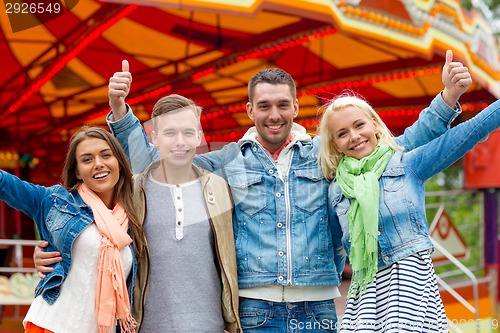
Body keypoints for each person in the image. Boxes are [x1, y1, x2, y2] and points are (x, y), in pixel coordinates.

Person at [36, 50, 470, 332]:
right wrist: (121, 113)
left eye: (283, 104)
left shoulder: (328, 155)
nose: (274, 114)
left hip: (319, 310)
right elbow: (157, 162)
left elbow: (400, 148)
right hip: (255, 311)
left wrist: (448, 99)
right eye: (264, 105)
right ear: (250, 110)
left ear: (297, 107)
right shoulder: (226, 161)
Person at [35, 70, 242, 332]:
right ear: (154, 139)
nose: (180, 141)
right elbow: (84, 224)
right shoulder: (130, 191)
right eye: (170, 133)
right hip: (144, 326)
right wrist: (50, 252)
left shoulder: (221, 189)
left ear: (199, 137)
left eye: (188, 132)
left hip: (210, 325)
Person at [318, 88, 500, 332]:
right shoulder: (336, 190)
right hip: (365, 288)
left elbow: (469, 132)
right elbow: (336, 249)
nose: (354, 136)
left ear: (374, 125)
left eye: (359, 125)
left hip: (409, 280)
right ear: (336, 145)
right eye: (342, 133)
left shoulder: (407, 164)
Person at [0, 127, 144, 333]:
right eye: (87, 160)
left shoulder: (135, 215)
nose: (98, 164)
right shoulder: (53, 201)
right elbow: (5, 184)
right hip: (54, 325)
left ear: (119, 162)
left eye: (106, 155)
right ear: (77, 171)